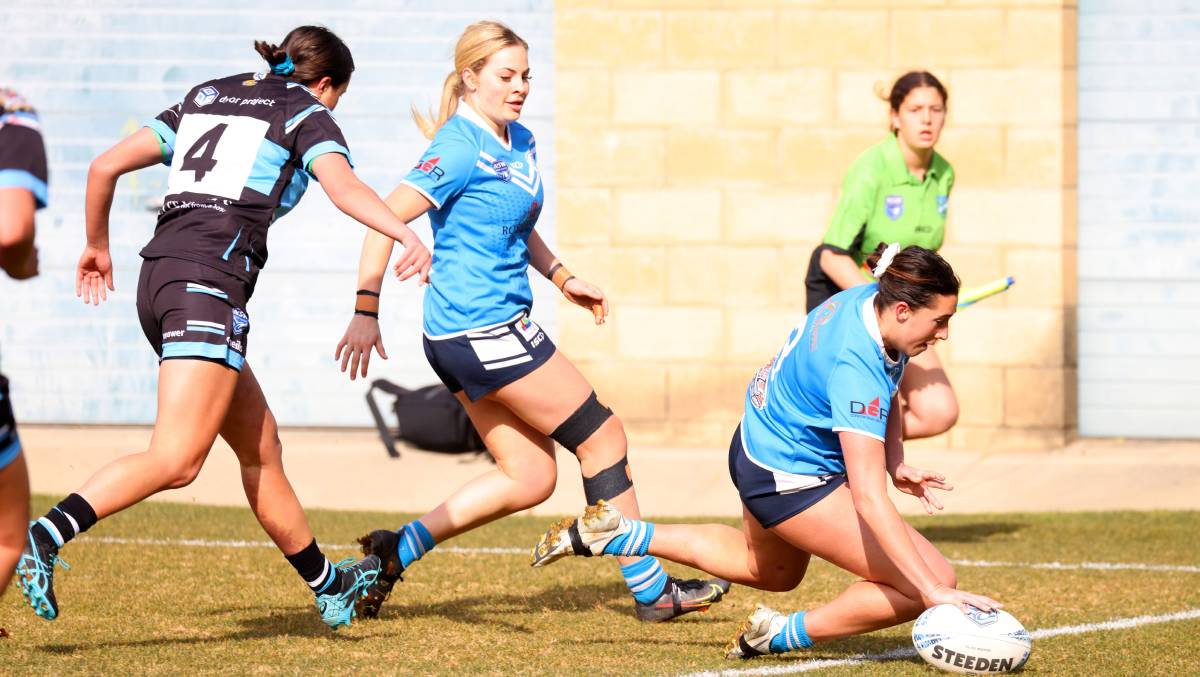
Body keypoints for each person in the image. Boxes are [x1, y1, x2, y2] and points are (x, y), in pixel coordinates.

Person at [15, 26, 432, 630]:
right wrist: (404, 232)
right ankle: (45, 535)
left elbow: (105, 165)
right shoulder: (302, 108)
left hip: (160, 281)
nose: (332, 107)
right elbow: (343, 188)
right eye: (337, 95)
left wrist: (96, 246)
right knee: (178, 459)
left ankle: (330, 585)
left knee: (261, 448)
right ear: (323, 84)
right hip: (206, 287)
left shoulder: (205, 95)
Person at [335, 20, 730, 623]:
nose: (519, 87)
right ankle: (651, 589)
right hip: (478, 328)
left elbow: (519, 225)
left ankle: (396, 549)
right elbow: (381, 216)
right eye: (505, 76)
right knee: (603, 437)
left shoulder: (518, 140)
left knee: (530, 476)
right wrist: (366, 309)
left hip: (477, 332)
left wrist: (563, 277)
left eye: (526, 76)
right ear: (470, 79)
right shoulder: (459, 146)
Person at [532, 244, 1003, 658]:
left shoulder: (869, 300)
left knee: (771, 571)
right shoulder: (855, 365)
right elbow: (868, 497)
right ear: (903, 310)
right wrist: (932, 589)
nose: (942, 334)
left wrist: (895, 459)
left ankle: (620, 532)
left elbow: (891, 374)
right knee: (931, 576)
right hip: (790, 478)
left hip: (758, 447)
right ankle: (776, 634)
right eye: (940, 321)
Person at [804, 71, 958, 440]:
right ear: (894, 117)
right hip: (847, 294)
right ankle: (837, 448)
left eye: (936, 109)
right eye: (915, 109)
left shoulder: (944, 173)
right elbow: (831, 256)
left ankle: (844, 439)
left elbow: (923, 252)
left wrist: (930, 300)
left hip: (901, 305)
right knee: (852, 402)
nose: (927, 119)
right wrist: (889, 298)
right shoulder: (870, 168)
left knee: (939, 410)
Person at [1, 86, 45, 624]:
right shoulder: (13, 116)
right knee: (9, 534)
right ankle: (53, 535)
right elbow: (11, 233)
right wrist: (23, 262)